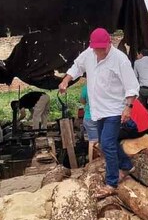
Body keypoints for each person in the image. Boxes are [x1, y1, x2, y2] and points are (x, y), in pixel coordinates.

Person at [59, 28, 139, 198]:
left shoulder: (120, 60)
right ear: (92, 46)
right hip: (98, 109)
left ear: (109, 44)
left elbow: (132, 85)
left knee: (108, 143)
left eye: (102, 49)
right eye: (96, 49)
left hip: (114, 109)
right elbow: (77, 67)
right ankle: (125, 165)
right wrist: (66, 80)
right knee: (104, 143)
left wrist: (128, 107)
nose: (99, 52)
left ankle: (111, 183)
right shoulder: (89, 53)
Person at [80, 81, 98, 161]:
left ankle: (92, 164)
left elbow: (82, 100)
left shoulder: (86, 87)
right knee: (105, 140)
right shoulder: (104, 85)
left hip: (89, 117)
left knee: (92, 141)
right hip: (103, 116)